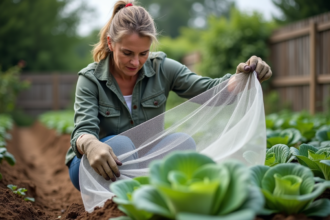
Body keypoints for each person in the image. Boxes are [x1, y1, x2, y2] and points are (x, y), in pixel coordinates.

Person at [65, 0, 272, 191]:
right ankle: (122, 197)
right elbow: (83, 130)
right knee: (122, 145)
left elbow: (209, 90)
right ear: (111, 43)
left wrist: (243, 78)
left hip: (143, 160)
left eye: (143, 53)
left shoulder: (162, 68)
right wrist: (91, 145)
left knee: (184, 143)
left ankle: (146, 192)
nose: (136, 63)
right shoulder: (91, 79)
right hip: (95, 166)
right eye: (127, 53)